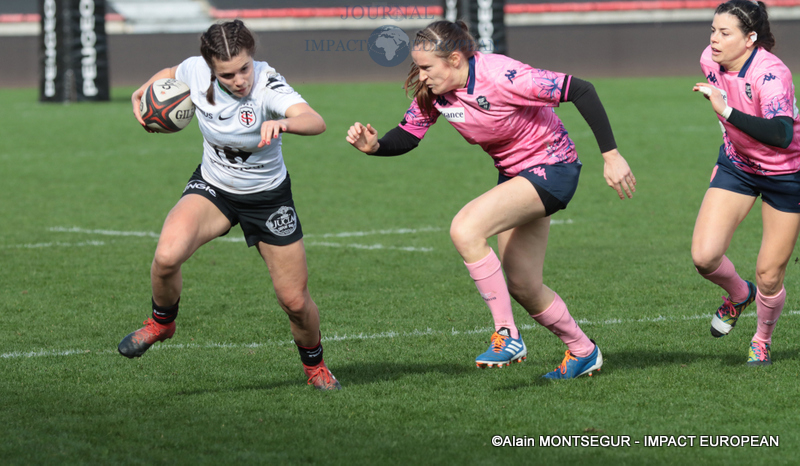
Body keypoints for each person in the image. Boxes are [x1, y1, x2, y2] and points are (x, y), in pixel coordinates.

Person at [346, 20, 636, 379]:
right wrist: (374, 147)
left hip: (552, 167)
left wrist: (611, 155)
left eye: (426, 68)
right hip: (515, 176)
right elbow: (407, 135)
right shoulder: (438, 92)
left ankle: (507, 334)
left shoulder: (502, 76)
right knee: (524, 286)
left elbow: (582, 89)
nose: (420, 77)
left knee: (466, 229)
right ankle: (582, 350)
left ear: (454, 59)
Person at [117, 20, 341, 390]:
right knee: (166, 257)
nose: (239, 80)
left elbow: (315, 121)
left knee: (295, 302)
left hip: (268, 199)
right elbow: (172, 72)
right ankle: (161, 323)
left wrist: (284, 123)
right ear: (210, 68)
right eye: (227, 74)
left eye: (244, 68)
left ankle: (314, 366)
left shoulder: (268, 85)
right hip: (214, 187)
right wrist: (145, 90)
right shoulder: (195, 70)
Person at [692, 0, 799, 366]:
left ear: (751, 38)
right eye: (713, 30)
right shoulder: (710, 59)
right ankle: (739, 294)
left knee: (769, 274)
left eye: (725, 32)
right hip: (737, 166)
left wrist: (726, 110)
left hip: (787, 173)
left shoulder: (771, 73)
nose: (715, 39)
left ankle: (761, 339)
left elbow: (783, 134)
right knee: (704, 257)